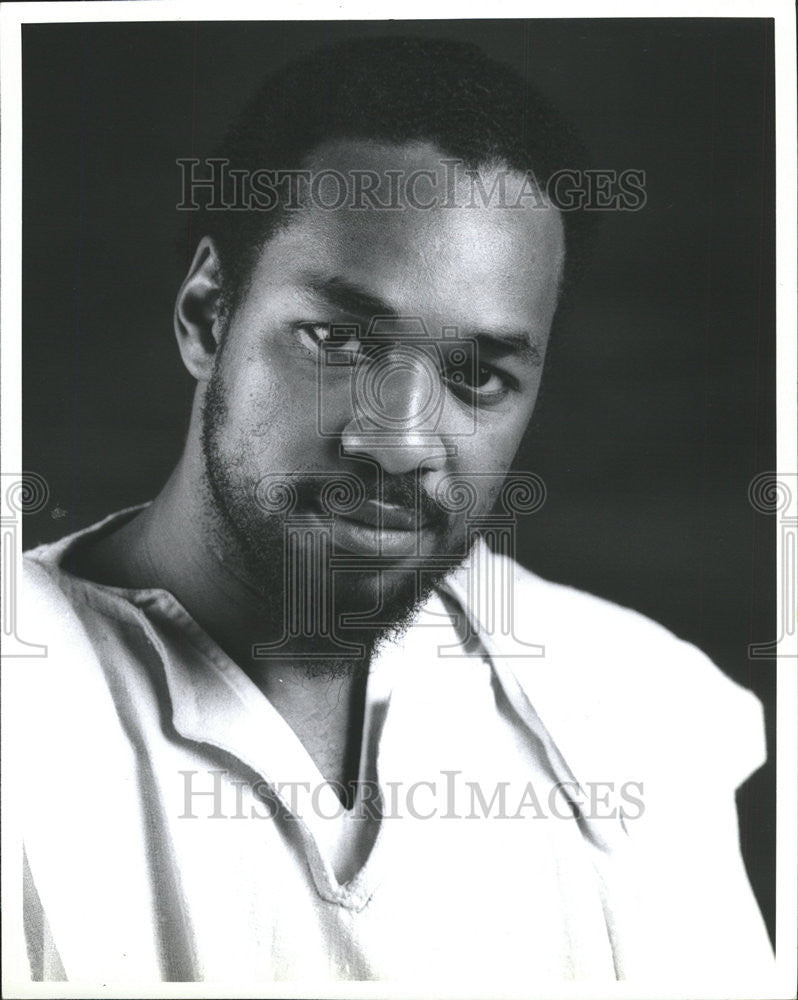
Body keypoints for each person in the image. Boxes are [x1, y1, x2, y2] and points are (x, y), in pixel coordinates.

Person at [16, 35, 773, 988]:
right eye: (338, 339)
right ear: (210, 313)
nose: (401, 441)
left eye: (479, 376)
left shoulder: (635, 708)